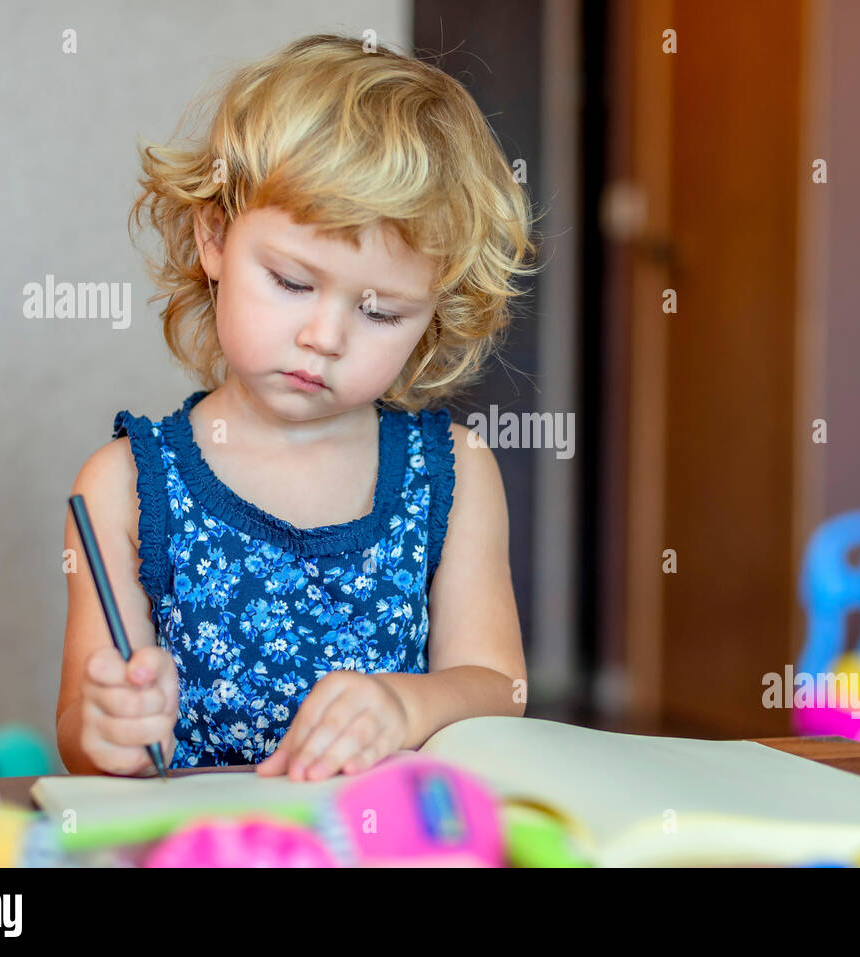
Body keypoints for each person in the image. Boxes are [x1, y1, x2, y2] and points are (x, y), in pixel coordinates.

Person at [56, 33, 538, 779]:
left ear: (435, 313)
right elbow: (82, 742)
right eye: (291, 281)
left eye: (381, 313)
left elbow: (499, 686)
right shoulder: (120, 486)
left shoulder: (454, 474)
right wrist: (107, 727)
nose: (325, 337)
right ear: (213, 237)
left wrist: (407, 705)